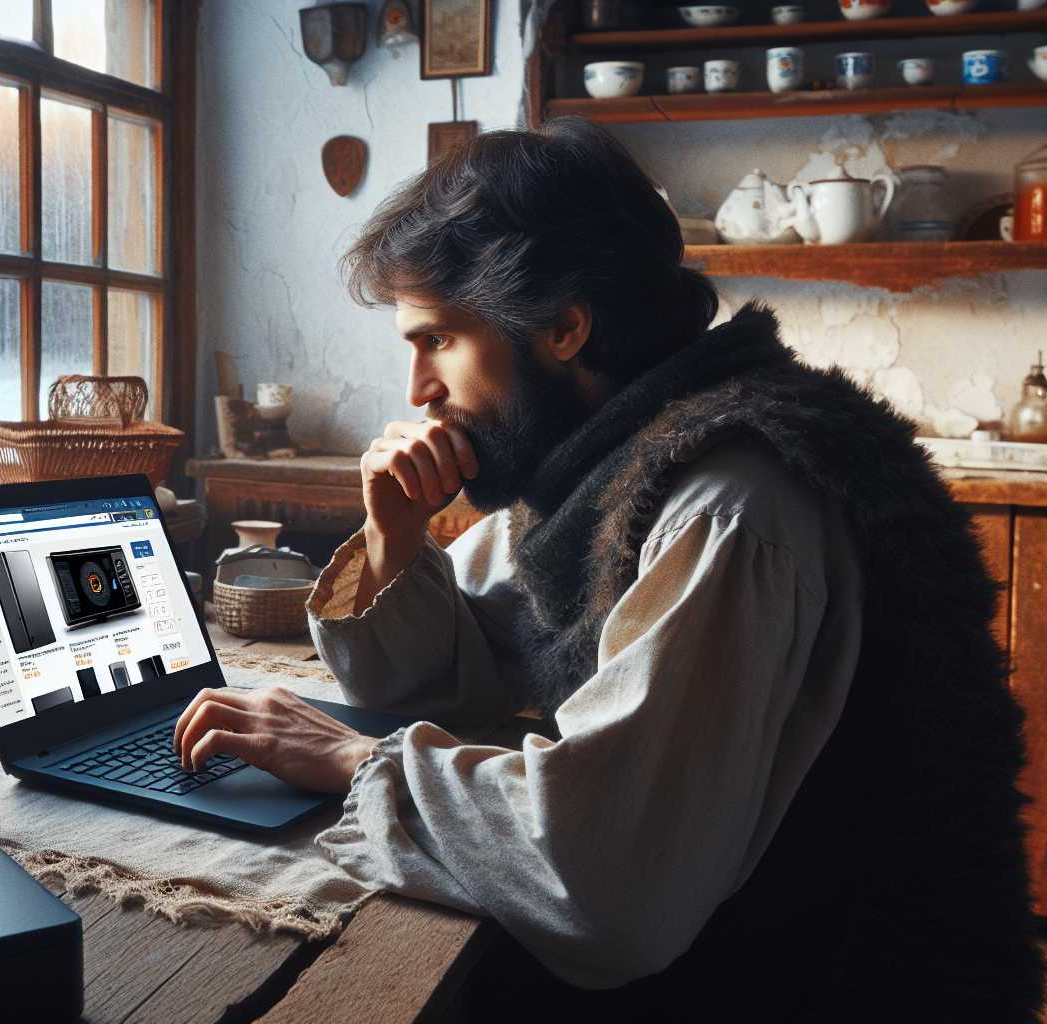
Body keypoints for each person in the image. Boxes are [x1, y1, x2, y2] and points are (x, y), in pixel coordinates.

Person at [172, 118, 1041, 1019]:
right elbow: (452, 683)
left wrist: (356, 763)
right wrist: (395, 535)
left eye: (436, 341)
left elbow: (610, 883)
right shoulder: (601, 467)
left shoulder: (730, 506)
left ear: (564, 326)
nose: (416, 391)